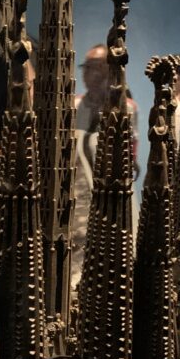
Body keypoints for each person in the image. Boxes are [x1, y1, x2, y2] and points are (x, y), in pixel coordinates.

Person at [71, 44, 139, 291]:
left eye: (96, 67)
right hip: (77, 201)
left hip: (111, 200)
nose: (89, 74)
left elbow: (130, 156)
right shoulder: (73, 106)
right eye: (86, 67)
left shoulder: (126, 108)